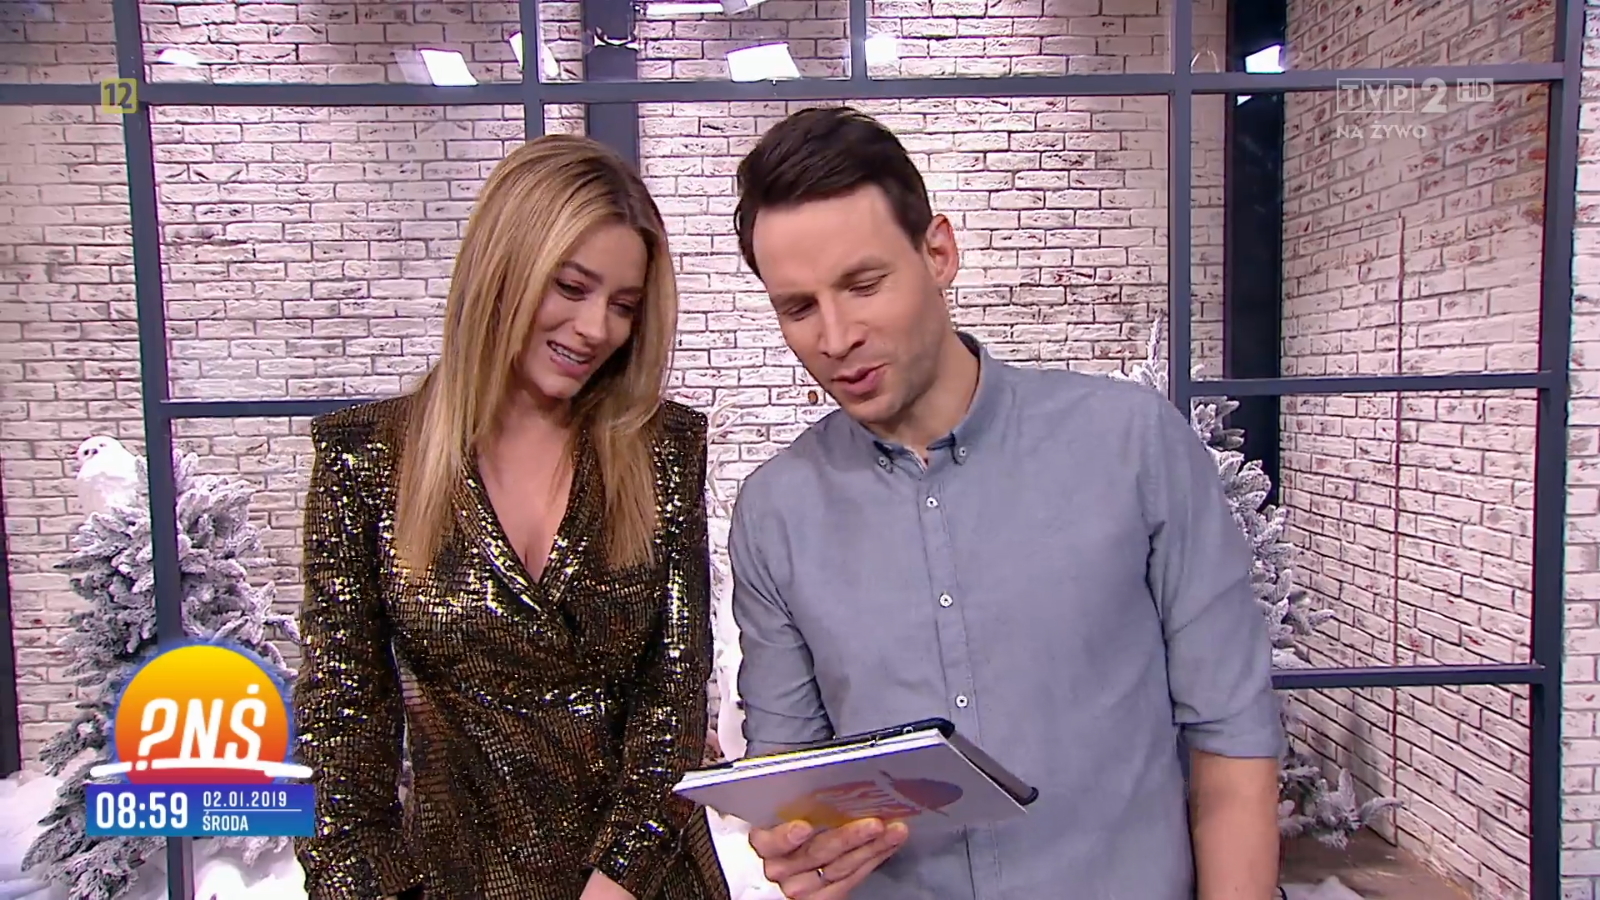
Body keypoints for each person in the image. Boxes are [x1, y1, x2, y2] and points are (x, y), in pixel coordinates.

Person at [725, 106, 1285, 900]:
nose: (836, 336)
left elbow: (1233, 741)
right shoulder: (775, 513)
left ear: (939, 252)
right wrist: (801, 848)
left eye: (863, 284)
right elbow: (791, 782)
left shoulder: (1131, 446)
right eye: (799, 307)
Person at [292, 134, 731, 900]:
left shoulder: (663, 449)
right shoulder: (366, 460)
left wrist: (619, 879)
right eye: (571, 287)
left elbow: (675, 695)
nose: (596, 328)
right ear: (503, 268)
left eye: (623, 306)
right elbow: (343, 726)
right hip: (456, 880)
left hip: (644, 882)